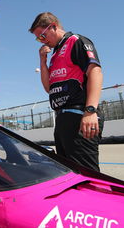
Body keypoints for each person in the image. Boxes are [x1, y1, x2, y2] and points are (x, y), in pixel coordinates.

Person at [29, 12, 104, 172]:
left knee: (87, 175)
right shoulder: (55, 54)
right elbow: (49, 88)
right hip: (62, 119)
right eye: (38, 39)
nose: (42, 41)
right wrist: (42, 62)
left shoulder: (75, 41)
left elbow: (95, 72)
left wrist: (90, 110)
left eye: (42, 36)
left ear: (54, 26)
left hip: (80, 115)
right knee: (69, 173)